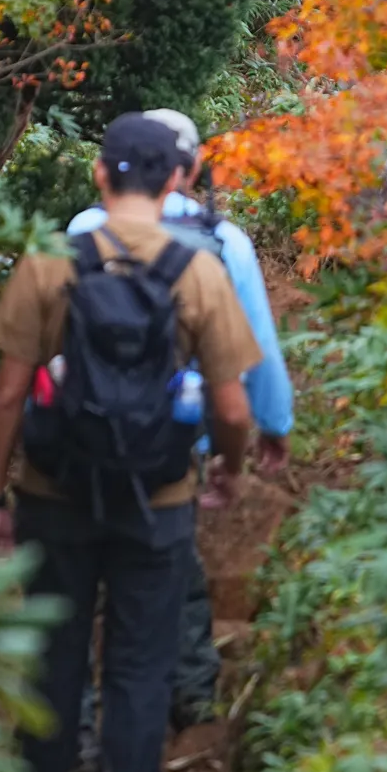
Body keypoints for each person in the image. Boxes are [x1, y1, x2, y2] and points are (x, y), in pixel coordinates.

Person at [0, 113, 259, 772]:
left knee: (54, 659)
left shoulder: (48, 261)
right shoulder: (198, 268)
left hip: (53, 494)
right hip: (159, 501)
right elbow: (233, 408)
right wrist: (228, 476)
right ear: (177, 180)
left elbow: (5, 397)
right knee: (139, 676)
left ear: (100, 176)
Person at [67, 105, 292, 727]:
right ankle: (189, 691)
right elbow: (255, 348)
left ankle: (82, 711)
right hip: (178, 429)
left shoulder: (84, 228)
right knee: (169, 556)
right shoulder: (223, 241)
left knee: (86, 569)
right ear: (187, 168)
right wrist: (270, 426)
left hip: (87, 431)